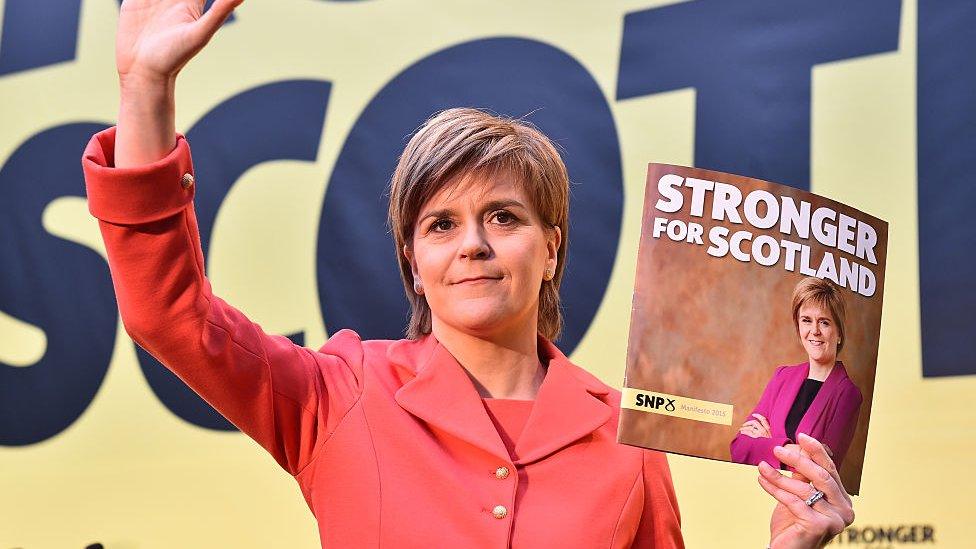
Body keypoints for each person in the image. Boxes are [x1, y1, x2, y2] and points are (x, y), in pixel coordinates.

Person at [82, 1, 856, 546]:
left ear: (551, 248)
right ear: (414, 265)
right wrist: (145, 88)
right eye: (440, 224)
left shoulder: (632, 436)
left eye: (505, 217)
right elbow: (169, 316)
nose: (473, 244)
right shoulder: (341, 390)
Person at [731, 277, 863, 471]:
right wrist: (794, 451)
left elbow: (820, 469)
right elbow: (739, 448)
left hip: (803, 500)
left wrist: (768, 442)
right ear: (798, 326)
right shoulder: (782, 376)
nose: (814, 331)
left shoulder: (848, 395)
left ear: (839, 332)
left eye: (824, 322)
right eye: (806, 320)